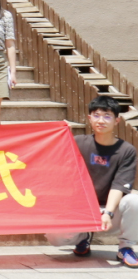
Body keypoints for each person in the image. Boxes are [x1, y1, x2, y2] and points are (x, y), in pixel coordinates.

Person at [47, 96, 138, 267]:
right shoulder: (78, 143)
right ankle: (82, 238)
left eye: (107, 116)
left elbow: (119, 186)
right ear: (89, 118)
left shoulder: (126, 150)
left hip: (111, 211)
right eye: (96, 115)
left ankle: (125, 247)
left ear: (117, 120)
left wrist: (108, 213)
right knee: (55, 236)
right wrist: (61, 133)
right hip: (82, 209)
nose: (101, 121)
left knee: (134, 201)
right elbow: (55, 158)